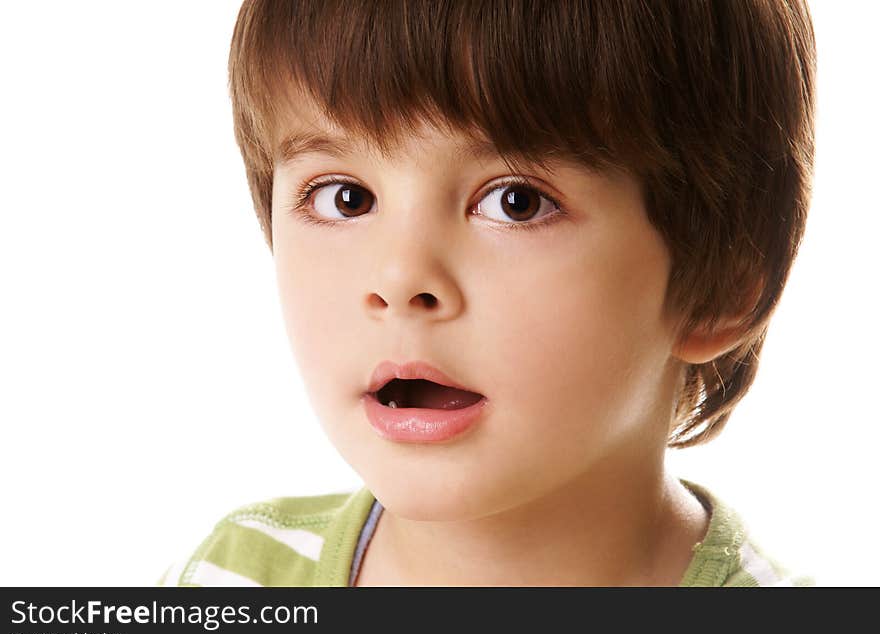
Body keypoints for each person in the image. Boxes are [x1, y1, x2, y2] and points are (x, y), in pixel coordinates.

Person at [159, 0, 817, 587]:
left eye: (516, 202)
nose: (399, 278)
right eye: (345, 197)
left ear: (723, 287)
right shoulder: (234, 580)